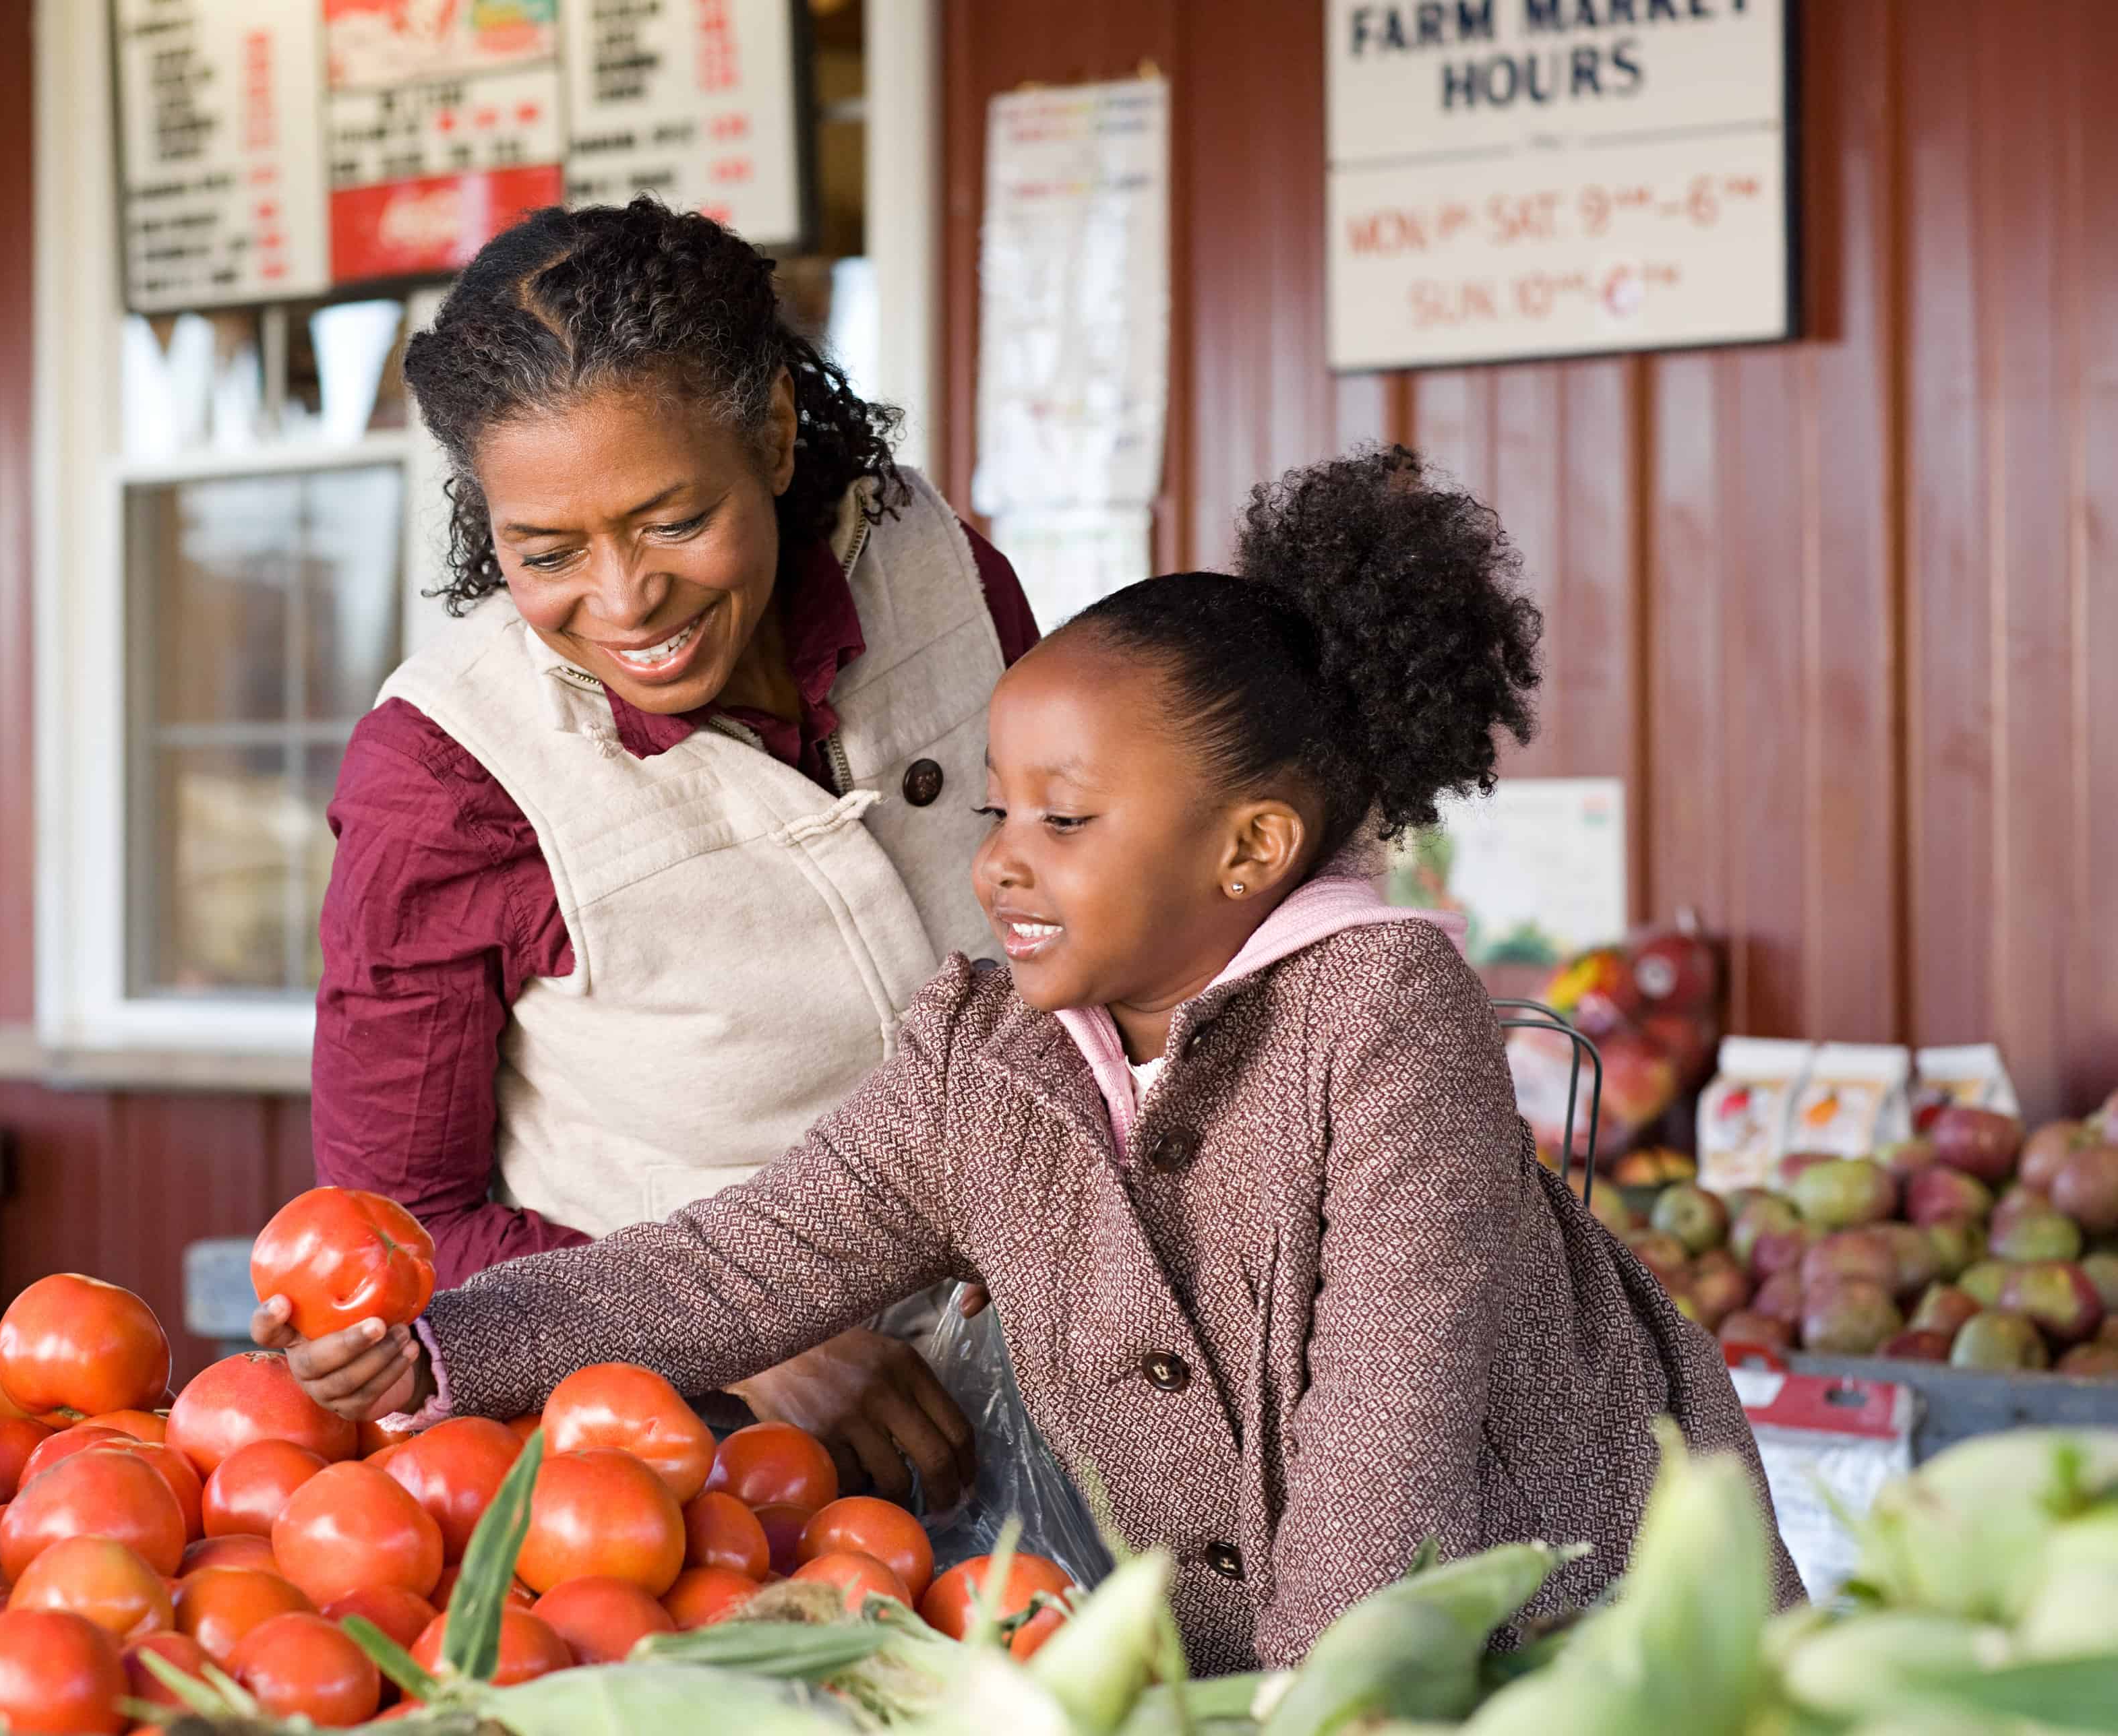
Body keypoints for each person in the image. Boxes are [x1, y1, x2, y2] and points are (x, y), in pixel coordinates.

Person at [316, 447, 1803, 1670]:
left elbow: (1387, 1423)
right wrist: (452, 1344)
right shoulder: (989, 1052)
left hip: (1562, 1646)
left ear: (1252, 848)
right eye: (995, 816)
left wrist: (1321, 1700)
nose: (1004, 868)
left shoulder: (1385, 1017)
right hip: (1283, 1681)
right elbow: (731, 1265)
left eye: (1065, 823)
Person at [258, 199, 1040, 1506]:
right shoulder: (446, 777)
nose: (624, 602)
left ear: (778, 436)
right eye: (547, 552)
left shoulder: (937, 567)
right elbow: (398, 1231)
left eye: (674, 520)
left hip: (1076, 1375)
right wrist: (752, 1322)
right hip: (692, 1472)